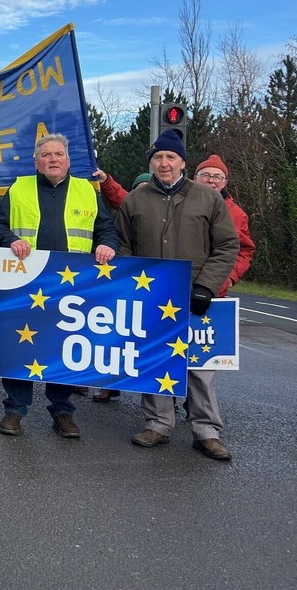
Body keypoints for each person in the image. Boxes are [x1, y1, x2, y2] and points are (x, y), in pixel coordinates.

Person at [0, 133, 119, 438]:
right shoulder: (19, 187)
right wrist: (11, 240)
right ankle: (15, 410)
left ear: (68, 161)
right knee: (23, 345)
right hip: (27, 283)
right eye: (46, 155)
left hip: (71, 287)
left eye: (59, 154)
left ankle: (62, 410)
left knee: (63, 348)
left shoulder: (87, 190)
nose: (53, 159)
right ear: (37, 162)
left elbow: (106, 228)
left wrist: (108, 246)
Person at [117, 133, 241, 460]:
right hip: (152, 296)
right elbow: (123, 247)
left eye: (171, 158)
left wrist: (207, 286)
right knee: (156, 360)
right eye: (158, 158)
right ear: (151, 163)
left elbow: (228, 246)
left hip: (196, 297)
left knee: (199, 367)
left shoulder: (207, 198)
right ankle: (158, 423)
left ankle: (206, 431)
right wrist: (132, 286)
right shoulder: (134, 201)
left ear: (183, 162)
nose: (164, 163)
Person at [91, 168, 151, 403]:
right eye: (139, 189)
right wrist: (106, 180)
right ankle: (109, 384)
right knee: (113, 336)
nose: (143, 193)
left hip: (151, 281)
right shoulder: (126, 210)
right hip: (123, 279)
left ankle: (167, 399)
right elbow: (120, 198)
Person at [194, 154, 255, 294]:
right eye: (205, 175)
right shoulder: (178, 204)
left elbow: (245, 250)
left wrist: (231, 278)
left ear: (225, 182)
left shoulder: (237, 214)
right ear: (195, 178)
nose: (211, 180)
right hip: (175, 284)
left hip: (213, 291)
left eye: (217, 177)